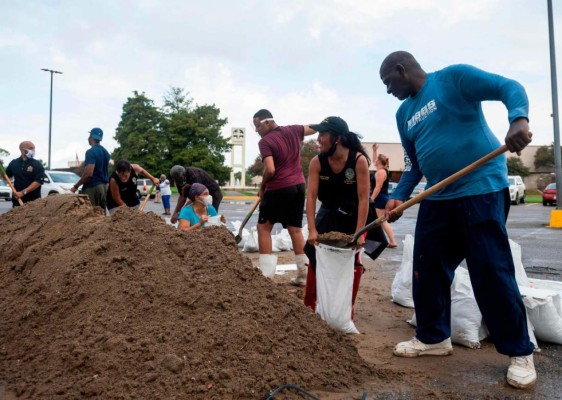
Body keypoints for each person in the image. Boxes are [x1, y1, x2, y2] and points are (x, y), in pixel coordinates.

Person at [379, 51, 535, 389]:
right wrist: (399, 195)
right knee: (427, 269)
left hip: (480, 188)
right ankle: (434, 338)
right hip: (437, 196)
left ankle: (520, 351)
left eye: (388, 83)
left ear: (400, 70)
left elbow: (509, 87)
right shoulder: (403, 113)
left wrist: (518, 120)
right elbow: (413, 164)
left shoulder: (453, 78)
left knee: (490, 271)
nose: (388, 91)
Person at [304, 116, 383, 318]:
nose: (318, 139)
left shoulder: (357, 160)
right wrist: (312, 229)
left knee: (349, 256)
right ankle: (311, 305)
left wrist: (360, 233)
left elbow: (364, 198)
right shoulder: (317, 161)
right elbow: (311, 197)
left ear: (337, 138)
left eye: (323, 134)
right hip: (329, 210)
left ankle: (345, 309)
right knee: (313, 251)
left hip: (353, 212)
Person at [252, 109, 318, 286]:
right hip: (298, 186)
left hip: (279, 187)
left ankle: (266, 276)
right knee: (295, 230)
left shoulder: (265, 141)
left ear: (267, 122)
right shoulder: (293, 130)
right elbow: (313, 128)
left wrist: (263, 185)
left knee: (264, 228)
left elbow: (271, 169)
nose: (256, 130)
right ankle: (303, 276)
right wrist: (325, 124)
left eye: (257, 126)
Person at [70, 127, 111, 210]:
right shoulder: (106, 153)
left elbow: (88, 174)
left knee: (90, 216)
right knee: (101, 216)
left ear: (91, 137)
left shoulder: (91, 152)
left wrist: (76, 186)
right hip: (103, 188)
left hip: (92, 188)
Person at [370, 143, 398, 248]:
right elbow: (374, 160)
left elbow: (378, 187)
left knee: (382, 221)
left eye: (377, 159)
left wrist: (371, 199)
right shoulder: (380, 170)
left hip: (380, 198)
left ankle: (392, 241)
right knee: (380, 221)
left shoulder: (381, 172)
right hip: (381, 197)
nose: (375, 160)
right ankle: (388, 241)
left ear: (379, 162)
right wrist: (374, 151)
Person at [5, 141, 44, 207]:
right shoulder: (14, 163)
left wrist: (23, 192)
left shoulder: (37, 164)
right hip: (17, 202)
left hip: (34, 202)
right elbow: (6, 177)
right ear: (22, 150)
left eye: (34, 148)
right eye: (31, 148)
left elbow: (38, 181)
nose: (33, 150)